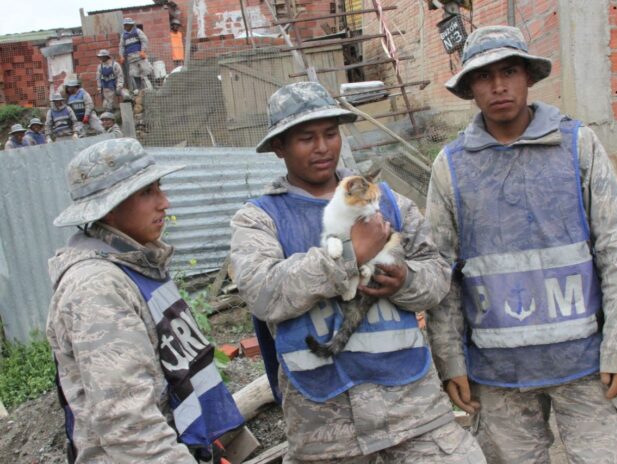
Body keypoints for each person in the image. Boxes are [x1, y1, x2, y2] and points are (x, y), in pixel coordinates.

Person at [229, 81, 485, 464]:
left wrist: (406, 280)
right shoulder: (259, 219)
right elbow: (263, 294)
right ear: (279, 147)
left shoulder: (387, 202)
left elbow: (437, 275)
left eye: (330, 133)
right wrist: (349, 256)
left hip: (414, 411)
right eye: (306, 138)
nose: (322, 147)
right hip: (324, 428)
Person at [426, 25, 617, 463]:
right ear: (470, 88)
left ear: (528, 76)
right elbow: (442, 273)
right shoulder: (450, 167)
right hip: (497, 375)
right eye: (484, 76)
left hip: (585, 365)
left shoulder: (577, 146)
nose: (498, 86)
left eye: (509, 71)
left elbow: (616, 248)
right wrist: (450, 360)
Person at [47, 138, 244, 463]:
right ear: (110, 208)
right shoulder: (96, 288)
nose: (164, 202)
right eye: (146, 192)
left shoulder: (136, 263)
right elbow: (131, 429)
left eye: (159, 187)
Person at [119, 17, 153, 91]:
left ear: (131, 25)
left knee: (146, 72)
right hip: (131, 59)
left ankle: (152, 88)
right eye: (124, 25)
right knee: (135, 75)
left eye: (127, 24)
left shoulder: (137, 31)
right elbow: (121, 46)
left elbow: (144, 40)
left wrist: (143, 51)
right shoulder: (123, 35)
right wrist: (121, 56)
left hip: (140, 57)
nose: (125, 26)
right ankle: (140, 90)